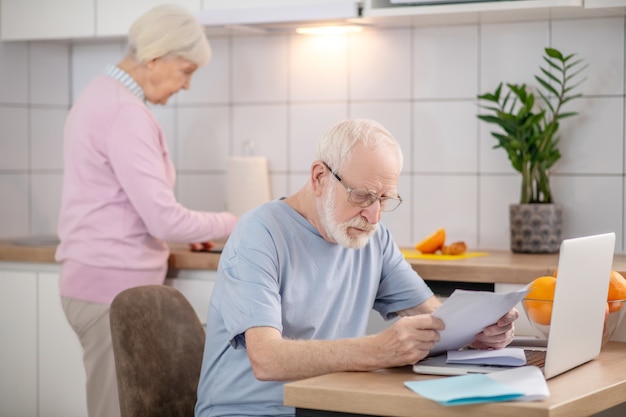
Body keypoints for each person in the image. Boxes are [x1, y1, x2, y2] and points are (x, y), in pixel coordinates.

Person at [194, 118, 518, 416]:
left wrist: (478, 330)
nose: (374, 215)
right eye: (362, 196)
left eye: (384, 199)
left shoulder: (372, 238)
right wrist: (378, 350)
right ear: (319, 177)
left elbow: (434, 318)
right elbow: (265, 359)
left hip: (326, 405)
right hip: (248, 412)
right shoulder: (259, 233)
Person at [55, 5, 237, 417]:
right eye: (186, 70)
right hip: (110, 292)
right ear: (156, 57)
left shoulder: (100, 95)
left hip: (98, 284)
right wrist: (239, 222)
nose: (187, 85)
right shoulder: (124, 112)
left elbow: (129, 207)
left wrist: (192, 230)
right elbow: (163, 219)